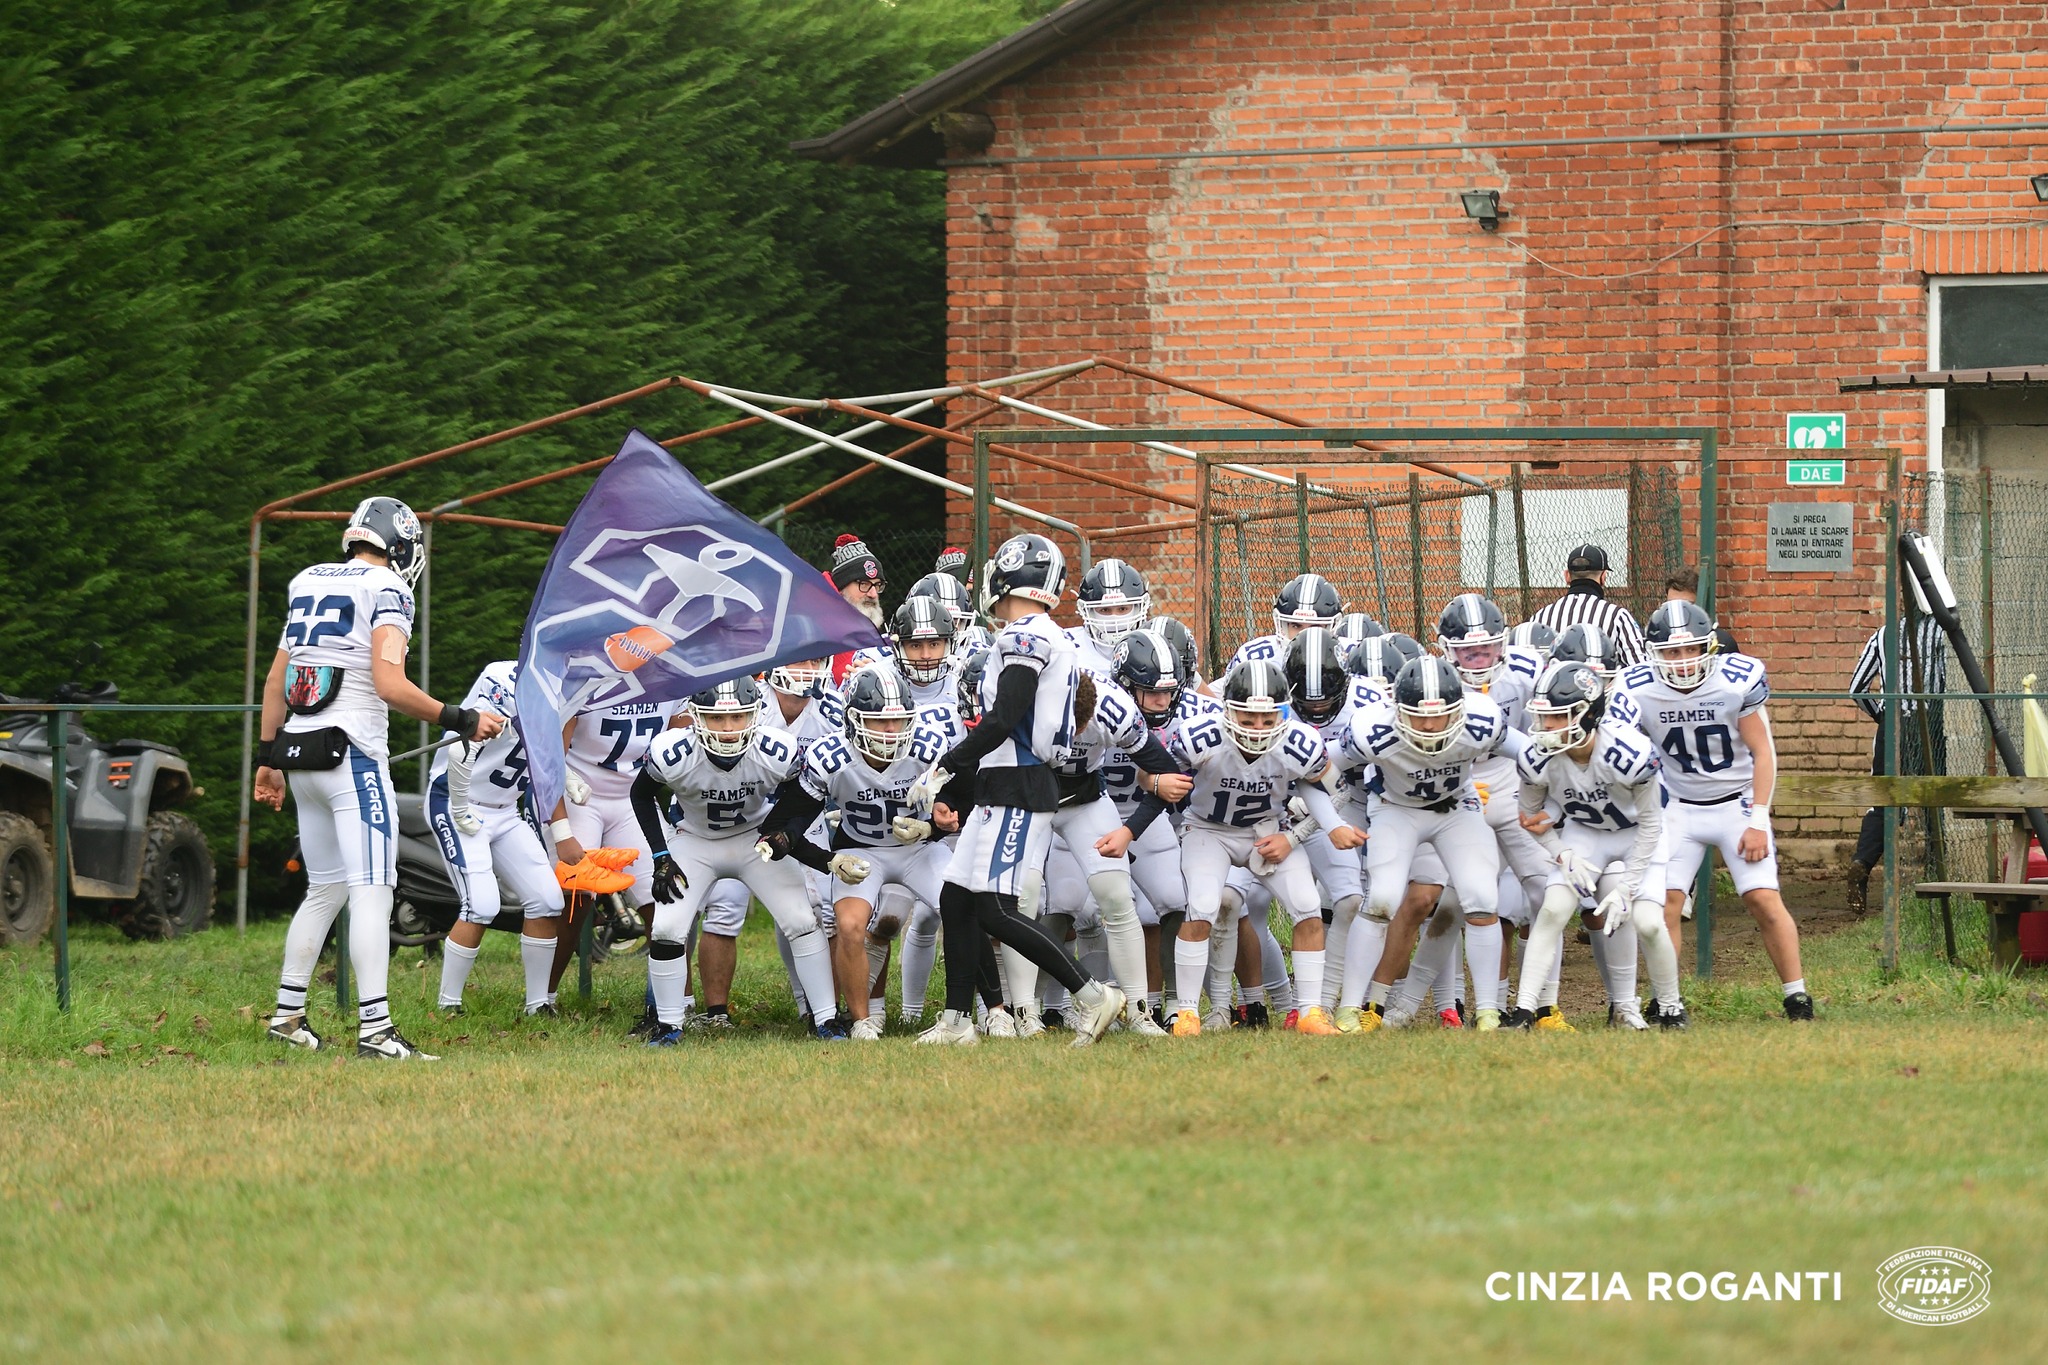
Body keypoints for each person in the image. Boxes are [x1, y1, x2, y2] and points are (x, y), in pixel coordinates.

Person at [255, 496, 502, 1060]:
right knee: (373, 890)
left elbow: (276, 680)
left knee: (325, 888)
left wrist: (268, 760)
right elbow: (389, 685)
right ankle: (376, 1031)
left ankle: (288, 1017)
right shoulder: (388, 589)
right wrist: (462, 718)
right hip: (352, 757)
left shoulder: (308, 580)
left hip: (301, 754)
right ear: (401, 544)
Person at [905, 532, 1129, 1047]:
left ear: (1010, 575)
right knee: (956, 897)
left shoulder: (1023, 636)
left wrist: (947, 763)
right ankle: (958, 1018)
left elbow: (1005, 717)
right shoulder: (1047, 634)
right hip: (1005, 781)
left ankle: (1093, 994)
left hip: (1018, 783)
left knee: (996, 908)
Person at [1608, 600, 1812, 1021]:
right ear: (1653, 652)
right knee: (1665, 903)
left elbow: (1763, 752)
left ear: (1710, 647)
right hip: (1678, 806)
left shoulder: (1735, 680)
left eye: (1691, 650)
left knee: (1762, 898)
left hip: (1735, 802)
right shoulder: (1636, 685)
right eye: (1671, 652)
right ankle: (1668, 1000)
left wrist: (1757, 819)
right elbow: (1620, 740)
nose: (1682, 661)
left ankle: (1797, 997)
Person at [631, 676, 846, 1044]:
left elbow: (805, 797)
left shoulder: (777, 750)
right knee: (667, 929)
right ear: (696, 718)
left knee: (801, 919)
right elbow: (641, 794)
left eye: (737, 718)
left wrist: (786, 834)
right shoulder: (673, 752)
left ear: (755, 716)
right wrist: (661, 854)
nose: (728, 729)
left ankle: (825, 1018)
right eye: (716, 719)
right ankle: (668, 1025)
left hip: (753, 838)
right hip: (693, 840)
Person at [1161, 659, 1358, 1036]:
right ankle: (1188, 1013)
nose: (1258, 728)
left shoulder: (1300, 742)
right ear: (1229, 710)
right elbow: (1158, 778)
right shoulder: (1199, 735)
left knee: (1307, 906)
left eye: (1268, 719)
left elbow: (1331, 790)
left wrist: (1298, 836)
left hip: (1269, 831)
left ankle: (1310, 1012)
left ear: (1284, 712)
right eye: (1248, 719)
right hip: (1208, 829)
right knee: (1202, 907)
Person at [1510, 660, 1688, 1031]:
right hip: (1587, 831)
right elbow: (1529, 818)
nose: (1545, 727)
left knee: (1649, 923)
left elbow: (1653, 822)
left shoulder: (1629, 752)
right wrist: (1562, 852)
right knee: (1554, 908)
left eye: (1557, 718)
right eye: (1543, 717)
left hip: (1639, 832)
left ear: (1587, 715)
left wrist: (1628, 882)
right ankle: (1525, 1011)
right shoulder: (1538, 756)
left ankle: (1671, 1007)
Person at [427, 660, 580, 1019]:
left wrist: (566, 782)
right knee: (481, 904)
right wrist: (461, 809)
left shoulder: (575, 690)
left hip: (505, 809)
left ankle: (538, 1005)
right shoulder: (504, 678)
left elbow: (549, 756)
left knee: (546, 899)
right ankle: (447, 1007)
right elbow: (461, 749)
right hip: (458, 801)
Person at [1845, 613, 1948, 912]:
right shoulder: (1942, 632)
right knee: (1934, 796)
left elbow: (1856, 688)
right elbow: (1947, 680)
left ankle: (1861, 863)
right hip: (1930, 722)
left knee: (1884, 801)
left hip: (1892, 724)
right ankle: (1935, 872)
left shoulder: (1884, 633)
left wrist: (1882, 715)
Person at [1528, 544, 1647, 667]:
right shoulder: (1617, 616)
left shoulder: (1540, 617)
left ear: (1567, 576)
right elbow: (1639, 667)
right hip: (1602, 685)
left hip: (1553, 685)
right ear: (1603, 577)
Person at [827, 534, 888, 684]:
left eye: (877, 585)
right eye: (864, 584)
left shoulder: (883, 636)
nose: (873, 594)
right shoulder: (819, 631)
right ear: (841, 588)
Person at [1662, 566, 1739, 654]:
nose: (1679, 612)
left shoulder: (1721, 643)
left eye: (1686, 606)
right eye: (1672, 605)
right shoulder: (1656, 642)